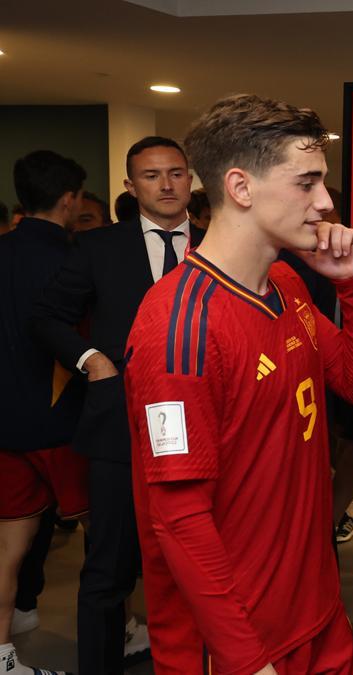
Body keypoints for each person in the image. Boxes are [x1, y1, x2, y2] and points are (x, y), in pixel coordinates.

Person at [124, 93, 353, 674]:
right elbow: (179, 517)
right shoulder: (179, 324)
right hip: (236, 644)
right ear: (241, 188)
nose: (324, 202)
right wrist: (245, 660)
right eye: (307, 183)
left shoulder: (287, 285)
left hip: (315, 611)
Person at [31, 136, 199, 673]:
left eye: (175, 172)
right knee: (109, 569)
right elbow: (46, 317)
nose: (166, 184)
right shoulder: (99, 247)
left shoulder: (223, 243)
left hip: (206, 425)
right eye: (151, 176)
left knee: (204, 565)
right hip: (121, 428)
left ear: (191, 178)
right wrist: (91, 360)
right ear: (131, 186)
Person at [0, 149, 91, 675]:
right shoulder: (74, 259)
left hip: (5, 426)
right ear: (68, 200)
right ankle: (119, 632)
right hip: (65, 424)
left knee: (8, 547)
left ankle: (4, 657)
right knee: (104, 544)